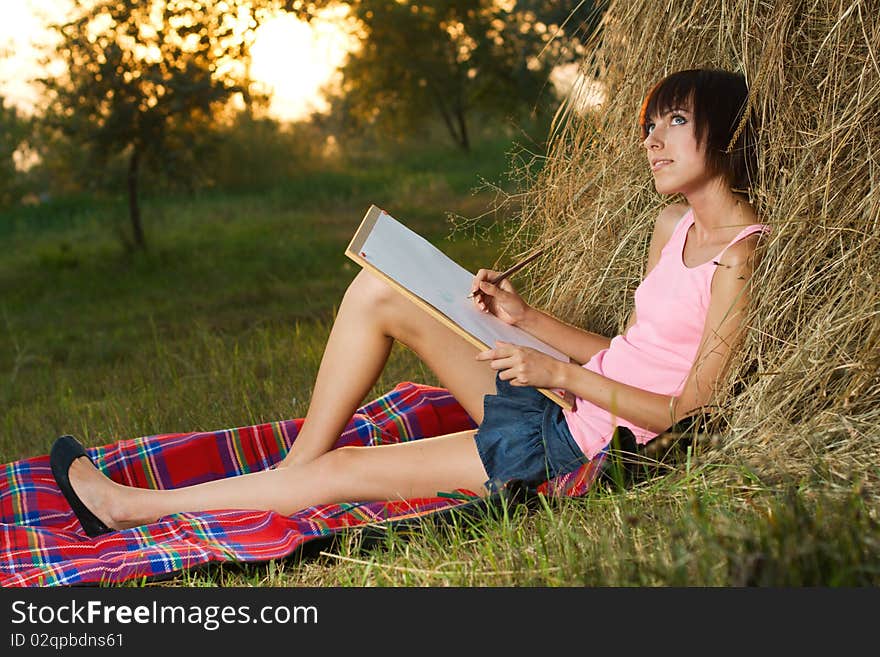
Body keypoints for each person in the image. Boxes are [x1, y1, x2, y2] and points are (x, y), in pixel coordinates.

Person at [50, 68, 769, 537]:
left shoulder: (741, 254)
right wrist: (526, 320)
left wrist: (563, 379)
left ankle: (126, 507)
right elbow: (629, 349)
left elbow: (689, 411)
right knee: (377, 287)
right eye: (648, 124)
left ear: (725, 128)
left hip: (570, 445)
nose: (651, 139)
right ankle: (294, 466)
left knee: (340, 475)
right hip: (566, 393)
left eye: (673, 121)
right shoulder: (669, 226)